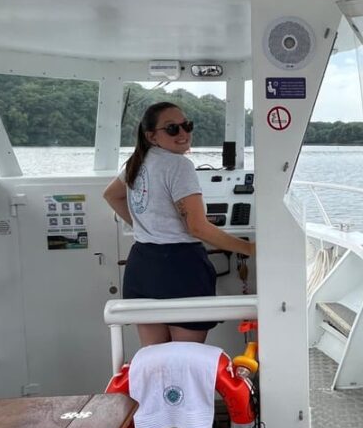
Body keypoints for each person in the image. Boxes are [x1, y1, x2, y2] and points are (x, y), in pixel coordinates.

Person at [104, 101, 255, 347]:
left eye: (187, 125)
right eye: (172, 128)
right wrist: (249, 249)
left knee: (155, 359)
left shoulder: (138, 161)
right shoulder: (179, 165)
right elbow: (196, 227)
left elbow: (111, 194)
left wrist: (145, 227)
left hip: (142, 264)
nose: (183, 133)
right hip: (179, 268)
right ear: (151, 136)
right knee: (186, 358)